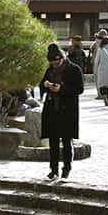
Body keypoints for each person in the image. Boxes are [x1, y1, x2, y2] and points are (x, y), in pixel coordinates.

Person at [40, 43, 84, 180]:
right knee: (53, 142)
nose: (54, 65)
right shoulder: (50, 70)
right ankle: (53, 169)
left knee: (66, 141)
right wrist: (46, 85)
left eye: (56, 62)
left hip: (67, 110)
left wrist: (61, 89)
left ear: (62, 59)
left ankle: (66, 169)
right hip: (52, 108)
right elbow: (41, 83)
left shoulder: (74, 69)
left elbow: (79, 89)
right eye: (52, 63)